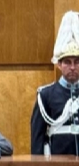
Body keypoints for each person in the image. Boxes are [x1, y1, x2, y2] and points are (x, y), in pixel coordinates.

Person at [32, 11, 79, 155]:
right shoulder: (46, 95)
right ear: (59, 64)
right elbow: (37, 137)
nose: (72, 67)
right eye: (67, 62)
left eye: (77, 62)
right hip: (59, 162)